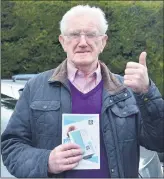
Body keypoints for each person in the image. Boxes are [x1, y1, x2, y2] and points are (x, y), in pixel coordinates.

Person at [1, 5, 164, 178]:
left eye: (91, 34)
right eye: (74, 34)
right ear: (63, 41)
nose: (83, 42)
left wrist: (147, 92)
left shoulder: (126, 90)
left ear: (103, 42)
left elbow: (159, 141)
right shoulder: (36, 87)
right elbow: (11, 146)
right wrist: (46, 161)